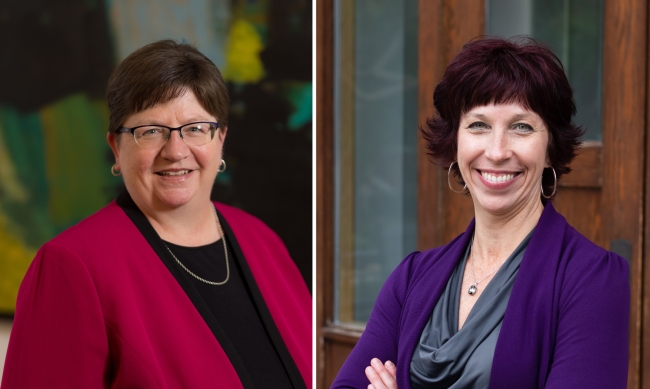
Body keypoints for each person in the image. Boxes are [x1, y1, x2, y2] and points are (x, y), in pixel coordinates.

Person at [1, 40, 311, 389]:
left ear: (220, 139)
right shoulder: (71, 265)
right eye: (150, 131)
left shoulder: (261, 240)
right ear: (117, 148)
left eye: (195, 128)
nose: (176, 151)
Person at [331, 37, 629, 389]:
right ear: (454, 143)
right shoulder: (411, 279)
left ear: (550, 148)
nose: (498, 151)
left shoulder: (593, 280)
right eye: (478, 125)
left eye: (522, 126)